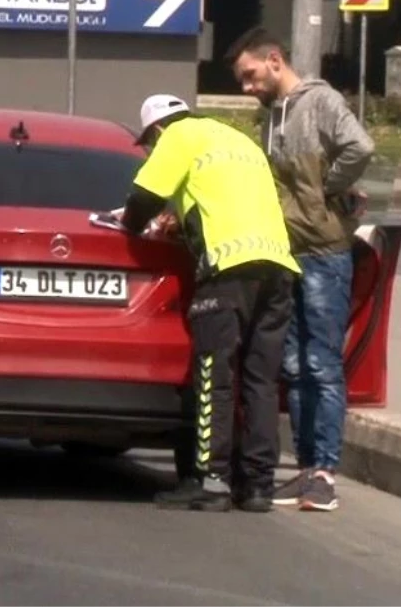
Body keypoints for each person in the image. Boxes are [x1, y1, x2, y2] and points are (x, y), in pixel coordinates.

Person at [116, 94, 300, 513]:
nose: (150, 150)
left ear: (157, 130)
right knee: (260, 381)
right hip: (278, 268)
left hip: (227, 272)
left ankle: (211, 479)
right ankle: (256, 486)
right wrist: (182, 221)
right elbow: (226, 201)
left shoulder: (177, 138)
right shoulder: (236, 140)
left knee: (213, 374)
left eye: (149, 144)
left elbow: (143, 198)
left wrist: (131, 225)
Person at [224, 26, 375, 512]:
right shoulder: (271, 116)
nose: (248, 87)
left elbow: (361, 147)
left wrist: (329, 190)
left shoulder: (320, 103)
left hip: (325, 251)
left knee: (320, 363)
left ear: (274, 60)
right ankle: (308, 468)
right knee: (291, 365)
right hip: (285, 251)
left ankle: (325, 471)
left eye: (250, 76)